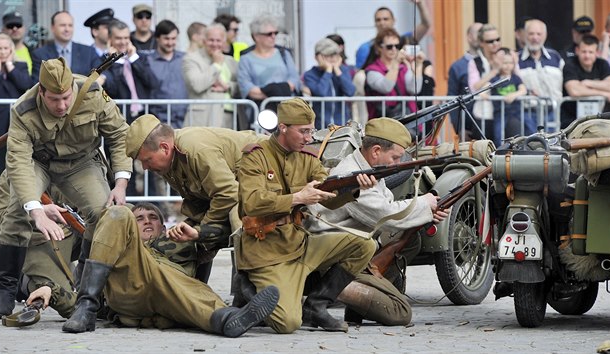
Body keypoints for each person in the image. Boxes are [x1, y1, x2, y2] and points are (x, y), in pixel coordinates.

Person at [0, 58, 132, 319]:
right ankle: (5, 290)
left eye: (66, 97)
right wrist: (36, 209)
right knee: (18, 210)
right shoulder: (23, 109)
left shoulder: (94, 95)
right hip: (38, 162)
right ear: (41, 91)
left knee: (102, 212)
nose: (62, 105)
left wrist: (120, 183)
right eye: (54, 99)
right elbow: (18, 162)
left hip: (81, 163)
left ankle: (89, 288)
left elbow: (120, 135)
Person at [235, 98, 376, 334]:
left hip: (300, 244)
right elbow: (252, 203)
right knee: (288, 324)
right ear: (282, 128)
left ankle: (316, 305)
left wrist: (356, 187)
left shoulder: (308, 157)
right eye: (303, 131)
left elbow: (328, 195)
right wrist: (298, 197)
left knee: (364, 245)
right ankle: (248, 289)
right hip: (266, 252)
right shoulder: (255, 157)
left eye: (311, 131)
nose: (309, 138)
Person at [305, 117, 448, 325]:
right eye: (395, 157)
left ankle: (357, 306)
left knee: (412, 239)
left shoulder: (368, 169)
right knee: (400, 312)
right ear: (376, 151)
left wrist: (426, 211)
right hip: (336, 258)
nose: (398, 164)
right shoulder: (351, 175)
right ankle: (327, 288)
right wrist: (425, 203)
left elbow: (387, 205)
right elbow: (387, 216)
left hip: (353, 247)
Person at [61, 203, 280, 336]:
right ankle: (86, 308)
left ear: (163, 227)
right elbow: (82, 272)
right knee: (117, 212)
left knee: (194, 287)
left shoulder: (180, 239)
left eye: (153, 218)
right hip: (131, 284)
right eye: (139, 219)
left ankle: (229, 320)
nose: (147, 221)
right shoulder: (121, 244)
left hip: (175, 293)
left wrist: (197, 235)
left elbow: (227, 237)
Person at [124, 114, 266, 282]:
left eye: (147, 160)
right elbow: (198, 199)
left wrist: (202, 231)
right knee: (181, 238)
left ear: (164, 147)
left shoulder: (194, 149)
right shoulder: (169, 161)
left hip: (268, 177)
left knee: (239, 218)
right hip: (238, 191)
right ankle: (197, 290)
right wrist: (192, 228)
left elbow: (229, 194)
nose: (145, 167)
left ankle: (251, 290)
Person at [0, 170, 80, 319]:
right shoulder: (16, 172)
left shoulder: (82, 166)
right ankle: (15, 282)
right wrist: (38, 212)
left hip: (71, 238)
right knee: (68, 303)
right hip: (37, 242)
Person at [0, 32, 32, 210]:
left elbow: (24, 85)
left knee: (16, 167)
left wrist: (9, 66)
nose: (3, 52)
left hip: (16, 125)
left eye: (6, 48)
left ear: (11, 50)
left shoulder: (19, 65)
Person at [237, 15, 301, 129]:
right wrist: (272, 93)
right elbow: (246, 86)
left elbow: (294, 78)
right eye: (268, 34)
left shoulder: (284, 53)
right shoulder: (246, 58)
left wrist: (279, 90)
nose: (273, 37)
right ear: (256, 36)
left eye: (275, 33)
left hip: (286, 109)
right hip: (261, 110)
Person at [182, 23, 238, 129]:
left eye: (218, 40)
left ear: (224, 42)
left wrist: (228, 87)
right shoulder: (191, 59)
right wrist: (216, 65)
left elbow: (241, 86)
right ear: (204, 41)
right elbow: (197, 85)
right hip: (203, 120)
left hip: (230, 119)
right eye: (211, 40)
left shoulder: (231, 61)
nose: (215, 44)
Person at [100, 19, 157, 124]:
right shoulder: (103, 61)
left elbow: (152, 82)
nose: (123, 42)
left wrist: (134, 59)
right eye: (118, 38)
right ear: (109, 39)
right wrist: (115, 61)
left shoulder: (139, 57)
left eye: (126, 38)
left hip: (143, 115)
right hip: (120, 117)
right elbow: (115, 89)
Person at [363, 28, 422, 119]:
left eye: (397, 46)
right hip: (382, 124)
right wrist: (396, 63)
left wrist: (418, 66)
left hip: (409, 121)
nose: (394, 49)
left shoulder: (404, 68)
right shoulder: (372, 70)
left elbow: (414, 89)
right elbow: (386, 87)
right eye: (389, 46)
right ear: (379, 47)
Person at [517, 19, 564, 132]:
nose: (535, 37)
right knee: (530, 147)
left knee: (553, 147)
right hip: (527, 115)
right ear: (525, 35)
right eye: (531, 34)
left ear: (545, 35)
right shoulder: (516, 59)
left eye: (539, 34)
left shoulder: (555, 57)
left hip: (553, 113)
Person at [355, 0, 431, 69]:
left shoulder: (405, 39)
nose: (382, 23)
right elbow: (361, 73)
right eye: (378, 20)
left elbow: (425, 25)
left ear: (393, 20)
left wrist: (420, 3)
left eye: (386, 19)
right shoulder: (365, 47)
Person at [30, 11, 101, 84]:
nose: (67, 29)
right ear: (53, 28)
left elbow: (102, 72)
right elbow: (37, 84)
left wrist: (102, 78)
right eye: (63, 25)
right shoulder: (40, 54)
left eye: (70, 25)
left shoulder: (88, 52)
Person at [561, 34, 610, 128]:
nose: (587, 56)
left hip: (601, 120)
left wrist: (589, 83)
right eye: (584, 52)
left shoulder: (602, 64)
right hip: (572, 121)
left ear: (597, 53)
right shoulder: (570, 65)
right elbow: (574, 91)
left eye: (590, 52)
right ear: (577, 51)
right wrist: (604, 94)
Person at [303, 37, 355, 129]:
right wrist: (328, 71)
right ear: (317, 57)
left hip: (342, 125)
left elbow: (350, 91)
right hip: (321, 126)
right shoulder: (310, 74)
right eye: (327, 55)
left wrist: (337, 70)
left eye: (334, 54)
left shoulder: (343, 70)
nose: (332, 58)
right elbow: (321, 92)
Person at [147, 20, 188, 128]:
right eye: (166, 38)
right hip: (158, 119)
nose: (170, 43)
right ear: (157, 38)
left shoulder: (185, 58)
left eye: (173, 38)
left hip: (185, 117)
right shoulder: (148, 61)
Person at [468, 23, 504, 141]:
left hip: (505, 112)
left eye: (497, 39)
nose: (495, 43)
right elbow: (474, 88)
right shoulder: (475, 62)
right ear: (481, 43)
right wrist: (494, 71)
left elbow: (518, 79)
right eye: (490, 41)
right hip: (483, 114)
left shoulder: (507, 57)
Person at [447, 22, 482, 138]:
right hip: (469, 124)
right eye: (479, 33)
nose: (482, 36)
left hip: (491, 121)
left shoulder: (492, 62)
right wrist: (459, 129)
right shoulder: (457, 67)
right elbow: (452, 99)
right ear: (469, 37)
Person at [489, 48, 528, 146]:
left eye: (510, 63)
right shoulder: (495, 79)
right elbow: (484, 89)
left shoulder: (516, 78)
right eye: (504, 63)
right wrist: (485, 96)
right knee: (498, 134)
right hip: (500, 113)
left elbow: (523, 90)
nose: (507, 66)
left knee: (529, 128)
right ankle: (498, 151)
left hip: (517, 111)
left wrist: (514, 95)